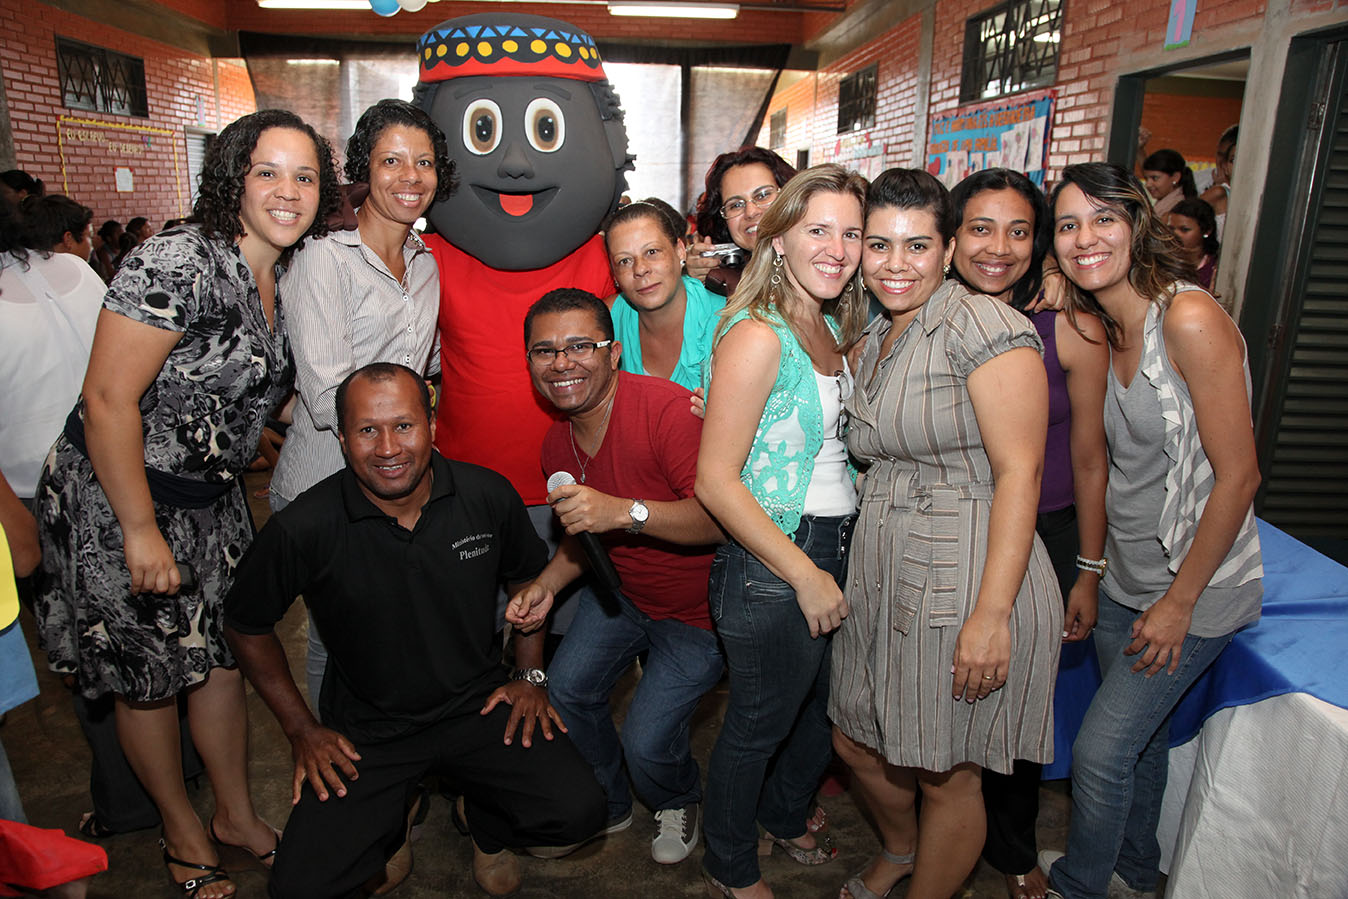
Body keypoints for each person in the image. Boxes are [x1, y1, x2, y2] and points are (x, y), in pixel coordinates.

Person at [31, 108, 341, 898]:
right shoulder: (178, 258)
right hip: (122, 495)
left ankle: (236, 815)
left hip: (216, 502)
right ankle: (181, 830)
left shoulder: (285, 267)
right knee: (151, 675)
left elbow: (232, 381)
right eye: (267, 171)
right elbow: (106, 399)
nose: (287, 190)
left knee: (223, 664)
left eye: (304, 175)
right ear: (232, 176)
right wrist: (139, 529)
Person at [224, 363, 606, 898]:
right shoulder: (304, 527)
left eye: (404, 425)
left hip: (477, 706)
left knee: (579, 812)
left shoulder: (485, 495)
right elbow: (245, 623)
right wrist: (301, 729)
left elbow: (527, 578)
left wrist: (529, 673)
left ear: (432, 426)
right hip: (369, 731)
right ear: (340, 439)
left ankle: (484, 822)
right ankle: (393, 821)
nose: (388, 448)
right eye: (366, 430)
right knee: (299, 886)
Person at [829, 168, 1061, 899]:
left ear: (949, 247)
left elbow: (1020, 473)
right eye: (879, 244)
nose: (897, 263)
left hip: (963, 569)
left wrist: (991, 617)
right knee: (856, 738)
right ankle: (903, 849)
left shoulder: (987, 326)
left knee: (947, 770)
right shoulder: (878, 327)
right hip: (888, 561)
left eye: (917, 245)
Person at [1041, 162, 1262, 899]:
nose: (1085, 237)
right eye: (1068, 224)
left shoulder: (1187, 318)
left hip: (1194, 586)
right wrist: (1093, 571)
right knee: (1140, 744)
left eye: (1103, 218)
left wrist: (1180, 602)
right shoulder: (1104, 326)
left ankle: (1081, 884)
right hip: (1129, 573)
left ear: (1138, 222)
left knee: (1100, 752)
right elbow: (1102, 464)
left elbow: (1239, 476)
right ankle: (1137, 869)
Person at [694, 163, 870, 899]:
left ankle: (783, 810)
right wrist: (804, 570)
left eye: (852, 232)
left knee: (826, 708)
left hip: (832, 542)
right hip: (774, 560)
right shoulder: (759, 335)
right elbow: (715, 480)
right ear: (781, 237)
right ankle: (729, 862)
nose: (837, 247)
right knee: (759, 724)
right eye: (818, 229)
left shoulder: (827, 321)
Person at [509, 289, 724, 864]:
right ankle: (609, 800)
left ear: (614, 353)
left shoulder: (668, 412)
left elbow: (720, 522)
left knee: (646, 741)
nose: (562, 362)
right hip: (622, 599)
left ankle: (677, 796)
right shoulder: (556, 438)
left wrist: (625, 511)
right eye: (545, 351)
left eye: (580, 346)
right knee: (568, 692)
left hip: (697, 615)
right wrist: (546, 586)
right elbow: (586, 537)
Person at [947, 169, 1109, 899]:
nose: (999, 248)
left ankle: (1012, 849)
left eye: (1020, 231)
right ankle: (940, 830)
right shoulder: (926, 312)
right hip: (950, 530)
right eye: (981, 227)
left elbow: (1089, 457)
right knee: (944, 695)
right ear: (952, 236)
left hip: (1043, 537)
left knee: (1017, 708)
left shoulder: (1068, 326)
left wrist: (1089, 568)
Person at [269, 97, 452, 706]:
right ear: (363, 170)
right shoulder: (323, 257)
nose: (410, 177)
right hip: (327, 486)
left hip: (398, 483)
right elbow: (326, 400)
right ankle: (341, 773)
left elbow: (424, 365)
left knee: (394, 636)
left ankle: (388, 763)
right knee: (336, 642)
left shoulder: (427, 266)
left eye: (424, 162)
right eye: (391, 161)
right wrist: (414, 414)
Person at [604, 198, 725, 390]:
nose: (640, 269)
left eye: (652, 251)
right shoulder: (609, 319)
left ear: (680, 251)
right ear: (614, 274)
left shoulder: (728, 321)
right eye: (625, 261)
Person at [687, 146, 797, 295]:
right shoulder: (722, 282)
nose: (751, 212)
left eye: (763, 195)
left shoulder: (824, 263)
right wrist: (694, 286)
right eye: (736, 205)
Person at [1164, 197, 1220, 291]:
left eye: (1184, 230)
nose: (1175, 235)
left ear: (1207, 231)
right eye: (1171, 229)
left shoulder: (1214, 269)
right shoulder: (1162, 262)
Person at [20, 194, 94, 261]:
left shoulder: (19, 267)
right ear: (68, 239)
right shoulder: (77, 273)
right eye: (90, 236)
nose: (92, 247)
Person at [1199, 125, 1237, 240]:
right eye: (1233, 160)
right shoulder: (1219, 191)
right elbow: (1182, 215)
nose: (1220, 162)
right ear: (1226, 166)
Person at [1138, 149, 1195, 219]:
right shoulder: (1165, 203)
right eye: (1146, 179)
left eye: (1155, 178)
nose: (1148, 184)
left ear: (1175, 177)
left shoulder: (1177, 209)